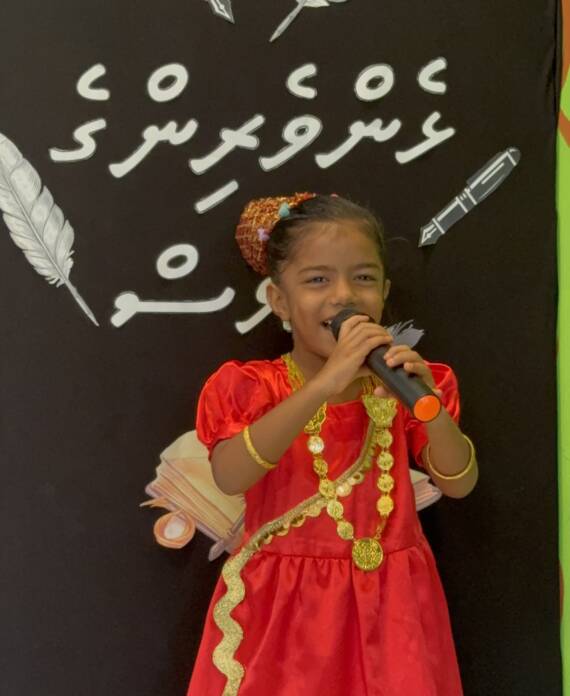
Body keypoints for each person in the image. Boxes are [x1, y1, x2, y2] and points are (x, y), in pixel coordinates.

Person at [186, 193, 478, 696]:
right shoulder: (253, 386)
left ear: (384, 292)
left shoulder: (408, 382)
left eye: (363, 278)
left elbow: (460, 484)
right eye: (318, 280)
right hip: (284, 610)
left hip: (393, 605)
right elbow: (230, 475)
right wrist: (325, 383)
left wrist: (427, 405)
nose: (344, 295)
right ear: (279, 300)